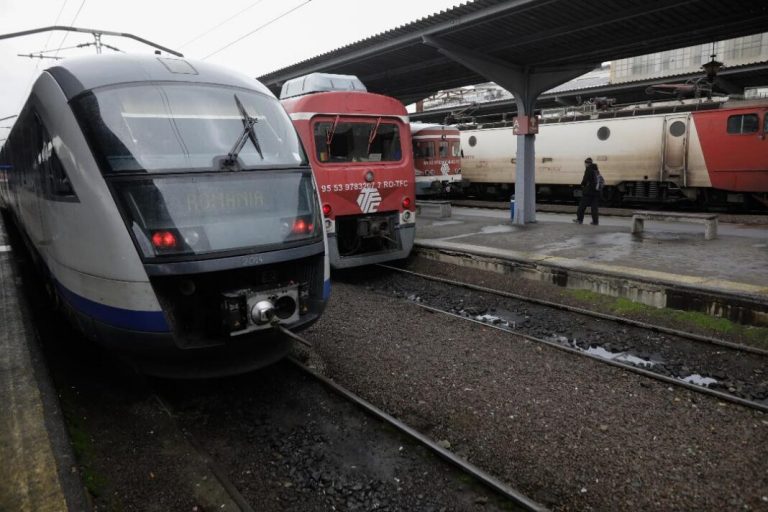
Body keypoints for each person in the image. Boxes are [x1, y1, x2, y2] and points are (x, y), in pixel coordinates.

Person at [574, 157, 600, 225]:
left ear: (586, 163)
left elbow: (585, 180)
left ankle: (579, 219)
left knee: (582, 207)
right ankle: (595, 221)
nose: (585, 165)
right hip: (596, 192)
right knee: (594, 208)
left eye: (585, 163)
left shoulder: (588, 169)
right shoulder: (596, 170)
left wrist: (582, 185)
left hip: (588, 192)